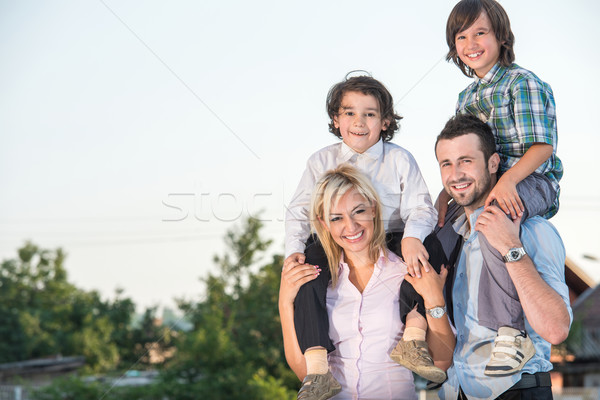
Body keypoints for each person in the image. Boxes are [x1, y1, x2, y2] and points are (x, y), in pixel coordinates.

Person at [284, 74, 448, 396]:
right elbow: (298, 211)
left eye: (370, 114)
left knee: (432, 249)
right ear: (336, 119)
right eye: (349, 113)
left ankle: (413, 336)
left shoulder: (400, 159)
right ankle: (317, 366)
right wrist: (293, 251)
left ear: (385, 121)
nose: (359, 122)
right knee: (306, 275)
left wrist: (412, 238)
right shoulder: (321, 160)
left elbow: (422, 208)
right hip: (336, 241)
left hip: (392, 236)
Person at [437, 0, 563, 376]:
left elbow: (542, 148)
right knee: (439, 236)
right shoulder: (465, 98)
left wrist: (507, 181)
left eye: (480, 33)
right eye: (462, 36)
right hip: (490, 183)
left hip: (532, 180)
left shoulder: (521, 82)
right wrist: (446, 195)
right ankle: (434, 331)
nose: (471, 43)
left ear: (500, 37)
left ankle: (513, 333)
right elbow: (463, 152)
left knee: (495, 224)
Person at [279, 165, 455, 400]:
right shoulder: (315, 278)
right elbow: (304, 372)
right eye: (336, 218)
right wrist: (284, 302)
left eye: (358, 211)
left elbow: (441, 362)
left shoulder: (408, 267)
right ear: (323, 223)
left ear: (373, 209)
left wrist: (434, 298)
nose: (350, 226)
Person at [434, 114, 571, 399]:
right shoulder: (449, 239)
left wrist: (510, 247)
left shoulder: (532, 231)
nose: (456, 174)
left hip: (515, 390)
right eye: (446, 164)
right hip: (456, 390)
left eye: (466, 161)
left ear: (494, 163)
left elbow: (556, 329)